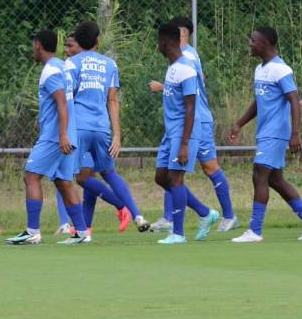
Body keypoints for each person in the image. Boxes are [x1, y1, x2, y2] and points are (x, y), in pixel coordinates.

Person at [226, 27, 302, 242]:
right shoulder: (260, 69)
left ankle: (255, 230)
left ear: (266, 43)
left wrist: (295, 133)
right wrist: (239, 123)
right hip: (266, 132)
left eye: (254, 40)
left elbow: (294, 101)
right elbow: (258, 102)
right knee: (276, 180)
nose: (250, 44)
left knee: (259, 174)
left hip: (276, 132)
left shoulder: (281, 69)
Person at [148, 17, 235, 233]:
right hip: (185, 122)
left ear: (183, 33)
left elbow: (190, 98)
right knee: (172, 172)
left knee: (207, 167)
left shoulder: (186, 56)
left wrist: (162, 87)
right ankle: (193, 215)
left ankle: (227, 216)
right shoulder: (178, 61)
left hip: (198, 119)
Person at [4, 30, 90, 246]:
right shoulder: (63, 66)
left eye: (34, 44)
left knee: (31, 176)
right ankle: (81, 232)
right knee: (63, 182)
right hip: (68, 133)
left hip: (55, 136)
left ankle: (32, 231)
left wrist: (61, 135)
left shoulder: (50, 70)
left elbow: (61, 102)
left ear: (38, 45)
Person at [64, 22, 150, 232]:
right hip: (102, 128)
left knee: (74, 177)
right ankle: (136, 214)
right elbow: (112, 100)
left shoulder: (70, 64)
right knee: (108, 172)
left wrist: (64, 131)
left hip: (79, 128)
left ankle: (79, 226)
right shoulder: (109, 64)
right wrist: (117, 135)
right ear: (97, 41)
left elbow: (66, 99)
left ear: (79, 41)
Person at [153, 22, 217, 244]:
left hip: (184, 132)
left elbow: (191, 107)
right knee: (161, 177)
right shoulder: (172, 67)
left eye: (159, 41)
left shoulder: (185, 69)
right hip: (171, 132)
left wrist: (184, 143)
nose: (157, 45)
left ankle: (178, 233)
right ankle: (205, 213)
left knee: (176, 178)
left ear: (166, 42)